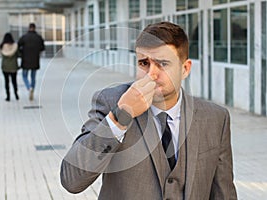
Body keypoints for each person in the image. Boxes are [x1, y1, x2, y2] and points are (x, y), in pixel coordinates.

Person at [60, 21, 237, 199]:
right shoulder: (111, 102)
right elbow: (72, 180)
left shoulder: (215, 118)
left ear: (185, 69)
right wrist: (120, 117)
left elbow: (223, 192)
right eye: (144, 63)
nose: (151, 73)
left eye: (162, 64)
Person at [18, 23, 45, 101]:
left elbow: (18, 45)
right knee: (33, 77)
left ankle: (29, 87)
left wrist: (22, 53)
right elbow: (42, 48)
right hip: (35, 60)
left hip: (25, 60)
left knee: (24, 76)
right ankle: (32, 87)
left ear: (29, 28)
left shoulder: (24, 37)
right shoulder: (39, 37)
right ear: (35, 28)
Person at [0, 32, 19, 101]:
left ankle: (8, 96)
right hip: (13, 66)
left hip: (5, 67)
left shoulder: (2, 46)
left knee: (6, 81)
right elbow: (19, 54)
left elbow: (2, 54)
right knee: (14, 81)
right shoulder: (15, 46)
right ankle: (16, 94)